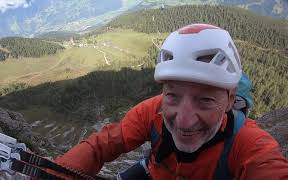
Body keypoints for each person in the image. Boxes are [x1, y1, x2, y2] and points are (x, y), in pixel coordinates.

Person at [53, 24, 288, 179]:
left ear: (229, 99)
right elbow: (101, 145)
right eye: (172, 95)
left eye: (205, 100)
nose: (184, 121)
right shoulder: (152, 111)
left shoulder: (248, 143)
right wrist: (54, 172)